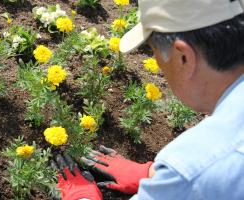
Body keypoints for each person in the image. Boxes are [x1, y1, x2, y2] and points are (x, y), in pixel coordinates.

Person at [52, 0, 244, 199]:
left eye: (155, 53)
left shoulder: (192, 170)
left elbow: (202, 172)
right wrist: (152, 175)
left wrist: (83, 198)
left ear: (183, 57)